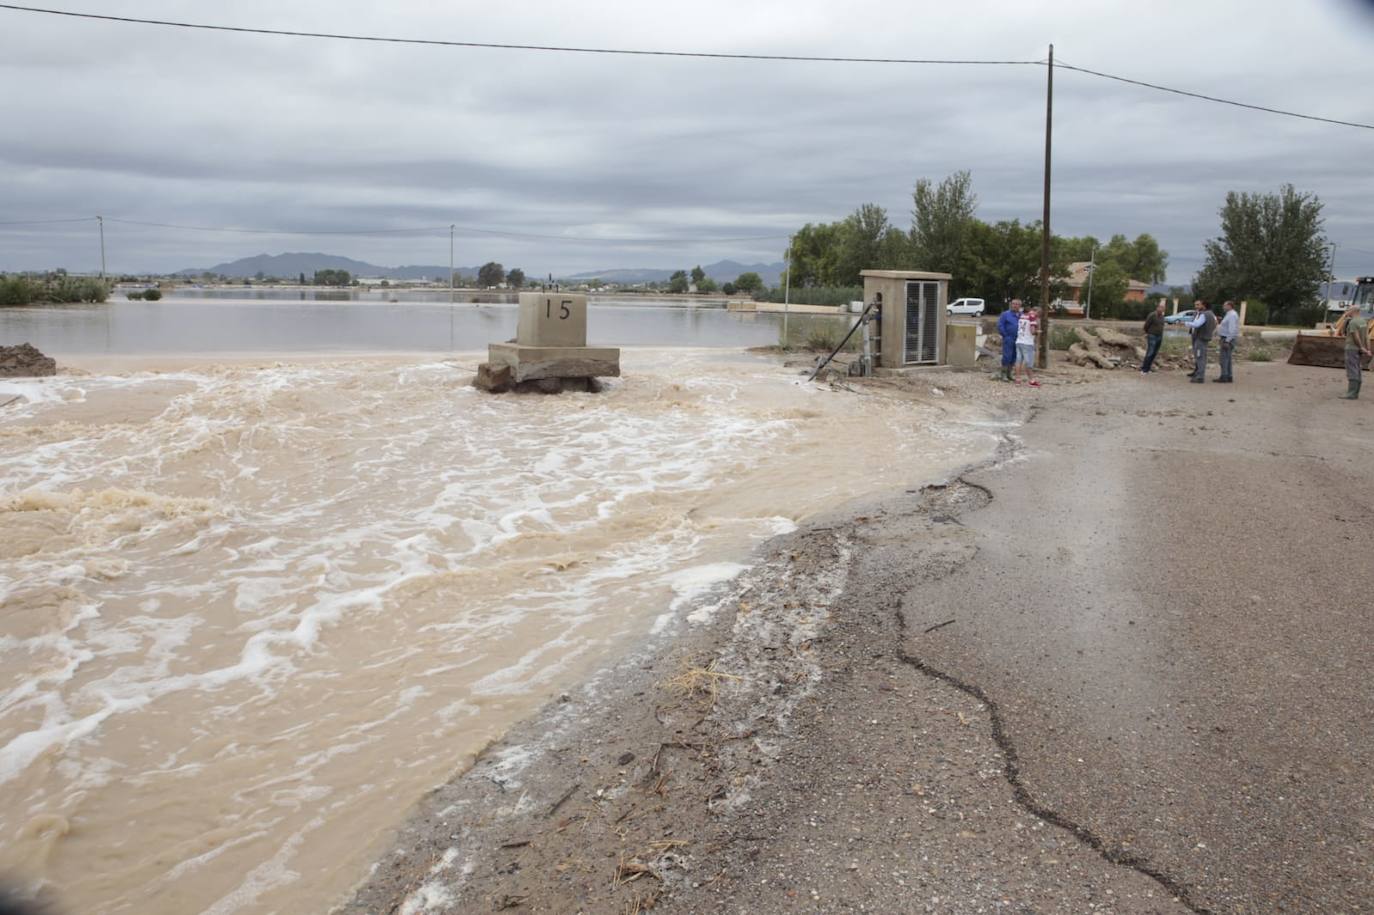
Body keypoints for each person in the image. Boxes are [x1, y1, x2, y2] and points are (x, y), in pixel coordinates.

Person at [1340, 305, 1370, 400]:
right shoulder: (1363, 321)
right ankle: (1355, 392)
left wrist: (1361, 347)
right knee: (1357, 369)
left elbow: (1355, 336)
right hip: (1359, 349)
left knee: (1352, 369)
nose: (1346, 311)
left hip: (1352, 348)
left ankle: (1351, 393)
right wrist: (1367, 349)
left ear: (1353, 311)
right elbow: (1366, 337)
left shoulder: (1353, 322)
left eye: (1348, 310)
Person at [1185, 300, 1217, 383]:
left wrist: (1186, 323)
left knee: (1200, 357)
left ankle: (1200, 377)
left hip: (1201, 338)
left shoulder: (1204, 314)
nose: (1197, 306)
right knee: (1201, 357)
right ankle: (1198, 374)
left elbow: (1197, 324)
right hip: (1203, 337)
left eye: (1199, 305)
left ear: (1204, 305)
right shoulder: (1211, 314)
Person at [1014, 305, 1041, 386]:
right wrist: (1037, 332)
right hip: (1027, 342)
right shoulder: (1032, 318)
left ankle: (1018, 379)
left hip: (1019, 341)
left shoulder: (1022, 316)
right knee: (1028, 362)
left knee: (1018, 361)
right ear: (1037, 312)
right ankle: (1031, 380)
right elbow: (1032, 331)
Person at [996, 299, 1022, 382]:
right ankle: (1003, 374)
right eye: (1013, 304)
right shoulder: (1005, 314)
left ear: (1020, 306)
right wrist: (1005, 335)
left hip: (1018, 339)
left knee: (1014, 356)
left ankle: (1009, 373)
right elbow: (1000, 325)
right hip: (1009, 338)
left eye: (1017, 304)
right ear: (1011, 305)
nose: (1015, 305)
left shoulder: (1021, 315)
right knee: (1007, 356)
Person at [1216, 300, 1240, 382]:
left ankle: (1224, 376)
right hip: (1226, 338)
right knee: (1228, 358)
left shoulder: (1232, 315)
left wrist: (1227, 341)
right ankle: (1229, 376)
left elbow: (1232, 329)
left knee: (1224, 359)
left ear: (1229, 306)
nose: (1223, 307)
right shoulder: (1229, 314)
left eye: (1224, 305)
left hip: (1227, 339)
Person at [1141, 301, 1165, 374]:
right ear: (1157, 308)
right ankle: (1144, 369)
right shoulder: (1152, 315)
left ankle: (1148, 368)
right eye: (1160, 307)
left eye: (1163, 308)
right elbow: (1146, 325)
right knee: (1150, 352)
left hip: (1159, 336)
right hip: (1152, 335)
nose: (1161, 309)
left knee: (1154, 352)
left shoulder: (1162, 316)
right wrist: (1148, 333)